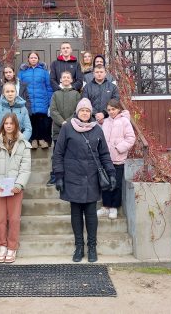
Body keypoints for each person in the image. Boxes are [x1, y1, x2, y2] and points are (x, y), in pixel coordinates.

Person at [52, 98, 116, 263]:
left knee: (91, 214)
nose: (85, 113)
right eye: (82, 110)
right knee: (76, 213)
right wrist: (59, 176)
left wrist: (111, 173)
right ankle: (79, 247)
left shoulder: (97, 129)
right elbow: (58, 154)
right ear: (77, 112)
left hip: (92, 177)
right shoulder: (67, 128)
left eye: (88, 110)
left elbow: (104, 154)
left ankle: (92, 247)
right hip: (73, 176)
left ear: (91, 113)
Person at [0, 113, 31, 264]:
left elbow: (25, 168)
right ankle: (2, 246)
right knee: (0, 219)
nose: (9, 126)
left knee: (14, 219)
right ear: (2, 125)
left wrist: (18, 185)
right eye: (6, 123)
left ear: (16, 125)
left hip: (15, 189)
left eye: (11, 123)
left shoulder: (24, 144)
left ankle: (12, 247)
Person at [100, 99, 136, 219]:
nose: (111, 112)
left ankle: (114, 207)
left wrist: (118, 148)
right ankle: (105, 206)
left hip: (118, 158)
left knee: (116, 183)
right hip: (106, 159)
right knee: (105, 183)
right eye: (109, 110)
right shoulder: (105, 122)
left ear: (118, 109)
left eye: (113, 109)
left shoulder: (124, 121)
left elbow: (130, 138)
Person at [47, 71, 81, 185]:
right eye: (64, 77)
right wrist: (62, 122)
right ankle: (55, 176)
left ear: (71, 80)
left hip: (73, 128)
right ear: (60, 80)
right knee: (57, 154)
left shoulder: (76, 94)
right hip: (58, 129)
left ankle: (71, 175)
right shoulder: (55, 94)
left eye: (68, 77)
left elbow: (78, 111)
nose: (66, 79)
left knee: (72, 153)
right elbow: (53, 110)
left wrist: (69, 122)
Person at [18, 52, 53, 149]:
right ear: (28, 59)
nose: (33, 59)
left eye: (35, 58)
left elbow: (49, 87)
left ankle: (41, 139)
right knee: (30, 120)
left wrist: (49, 100)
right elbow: (20, 87)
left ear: (38, 59)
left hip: (42, 99)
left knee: (41, 120)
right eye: (31, 58)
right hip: (28, 100)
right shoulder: (23, 72)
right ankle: (33, 140)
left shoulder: (44, 72)